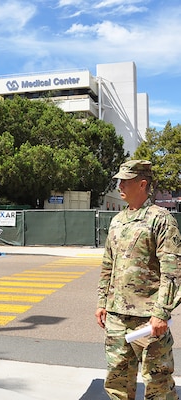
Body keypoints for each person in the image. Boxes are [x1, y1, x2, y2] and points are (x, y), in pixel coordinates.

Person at [95, 159, 181, 400]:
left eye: (125, 181)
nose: (120, 185)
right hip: (116, 316)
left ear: (142, 184)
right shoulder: (117, 221)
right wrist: (102, 302)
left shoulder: (161, 219)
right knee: (117, 381)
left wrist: (162, 312)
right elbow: (108, 265)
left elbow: (173, 271)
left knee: (158, 383)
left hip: (148, 319)